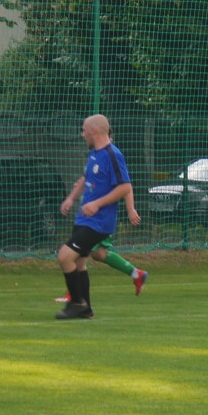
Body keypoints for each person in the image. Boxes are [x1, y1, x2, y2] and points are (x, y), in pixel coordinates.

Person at [55, 114, 134, 319]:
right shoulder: (94, 154)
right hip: (84, 219)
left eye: (83, 130)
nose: (82, 135)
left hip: (99, 222)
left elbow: (125, 187)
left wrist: (97, 204)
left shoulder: (112, 154)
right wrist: (71, 198)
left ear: (93, 132)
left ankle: (76, 302)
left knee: (65, 256)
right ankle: (86, 309)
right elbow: (85, 178)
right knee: (79, 263)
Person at [56, 186, 147, 301]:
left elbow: (126, 186)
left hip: (99, 219)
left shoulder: (112, 168)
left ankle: (73, 294)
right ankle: (136, 273)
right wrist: (76, 192)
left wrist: (131, 209)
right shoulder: (94, 169)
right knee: (99, 253)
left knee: (77, 253)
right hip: (90, 216)